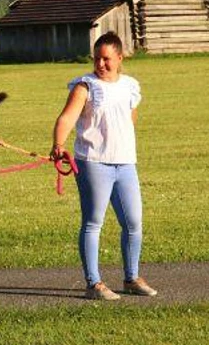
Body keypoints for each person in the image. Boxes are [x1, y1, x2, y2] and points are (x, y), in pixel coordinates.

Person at [50, 31, 158, 300]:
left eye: (106, 59)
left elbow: (130, 119)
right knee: (93, 222)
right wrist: (58, 144)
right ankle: (93, 283)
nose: (100, 64)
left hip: (125, 163)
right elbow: (66, 118)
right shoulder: (85, 86)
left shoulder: (130, 86)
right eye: (97, 59)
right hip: (93, 163)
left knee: (133, 222)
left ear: (120, 58)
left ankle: (132, 277)